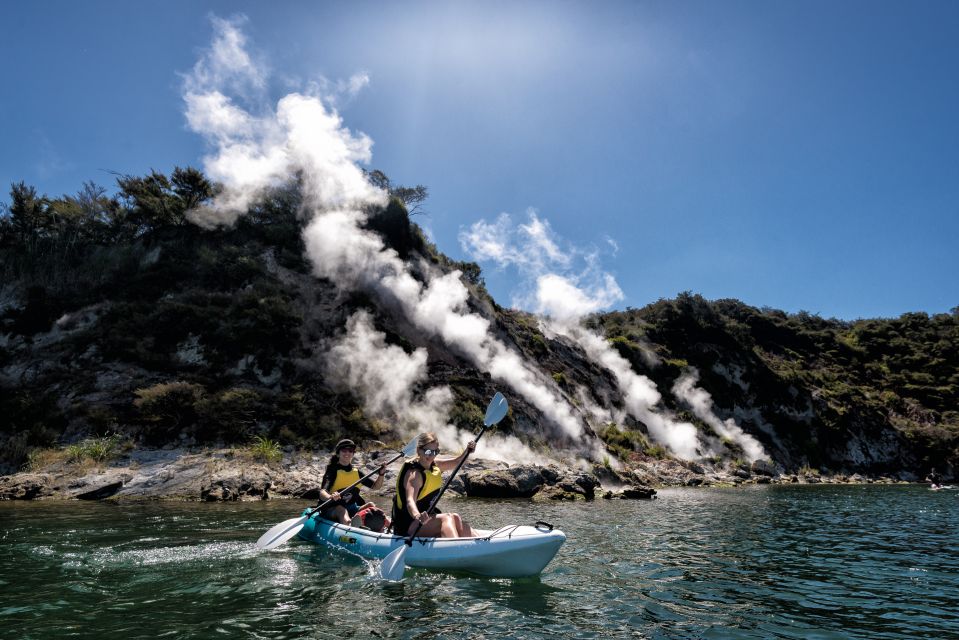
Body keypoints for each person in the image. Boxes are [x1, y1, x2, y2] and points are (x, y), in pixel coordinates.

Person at [391, 432, 476, 538]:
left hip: (426, 520)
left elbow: (457, 461)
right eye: (428, 451)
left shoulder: (434, 464)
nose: (432, 455)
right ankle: (456, 549)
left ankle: (478, 545)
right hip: (409, 524)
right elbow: (410, 501)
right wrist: (417, 516)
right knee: (446, 519)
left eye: (436, 451)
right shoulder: (414, 475)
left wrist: (468, 451)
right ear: (419, 451)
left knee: (455, 517)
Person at [318, 439, 386, 525]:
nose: (347, 453)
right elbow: (322, 492)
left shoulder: (357, 472)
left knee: (371, 505)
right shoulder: (332, 470)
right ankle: (348, 525)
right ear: (338, 453)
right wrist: (330, 497)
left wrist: (381, 474)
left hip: (352, 508)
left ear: (353, 454)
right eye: (344, 450)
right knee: (341, 510)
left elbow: (376, 486)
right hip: (332, 509)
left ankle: (387, 525)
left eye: (350, 451)